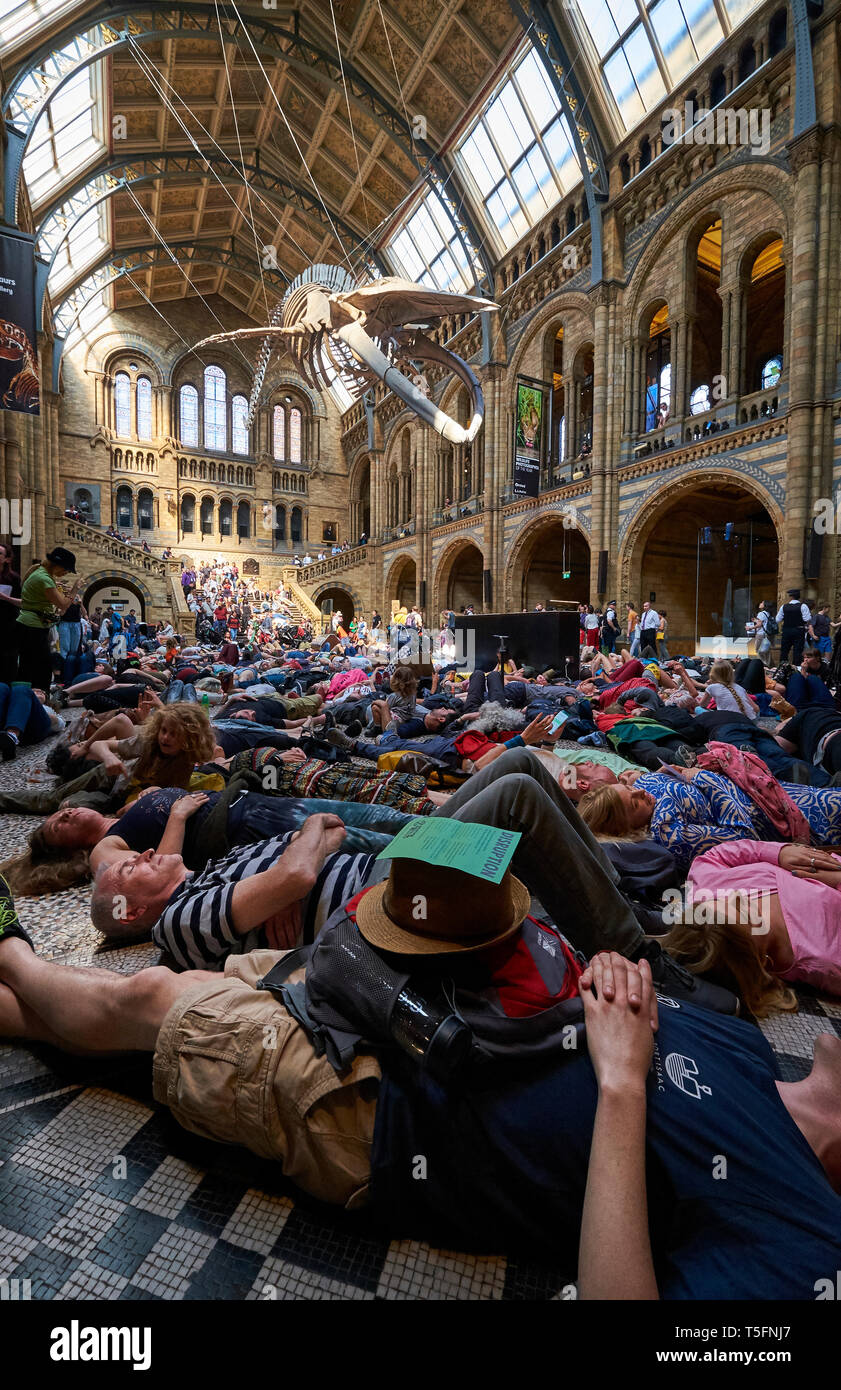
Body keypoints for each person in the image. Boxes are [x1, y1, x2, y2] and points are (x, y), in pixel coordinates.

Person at [0, 879, 839, 1298]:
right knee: (134, 1003)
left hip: (378, 1110)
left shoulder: (803, 1235)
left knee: (146, 1000)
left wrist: (621, 1084)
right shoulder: (748, 1046)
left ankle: (9, 946)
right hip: (408, 1006)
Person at [15, 547, 81, 692]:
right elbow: (63, 605)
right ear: (57, 565)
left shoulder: (40, 573)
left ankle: (29, 697)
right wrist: (75, 590)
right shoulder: (44, 578)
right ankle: (38, 700)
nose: (66, 573)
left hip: (31, 625)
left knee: (31, 666)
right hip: (33, 627)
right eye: (66, 569)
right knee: (41, 669)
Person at [0, 542, 22, 684]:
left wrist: (4, 598)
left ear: (7, 559)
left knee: (8, 660)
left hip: (8, 625)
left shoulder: (13, 578)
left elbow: (22, 601)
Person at [776, 588, 812, 665]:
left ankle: (782, 667)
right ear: (799, 597)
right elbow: (807, 619)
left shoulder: (784, 606)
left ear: (791, 597)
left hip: (786, 630)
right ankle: (796, 667)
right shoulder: (803, 606)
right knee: (797, 651)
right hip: (798, 630)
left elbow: (777, 619)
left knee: (784, 650)